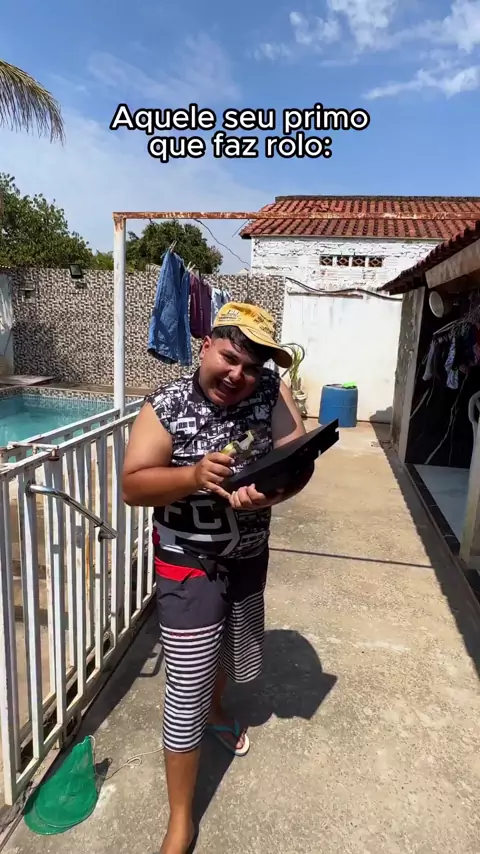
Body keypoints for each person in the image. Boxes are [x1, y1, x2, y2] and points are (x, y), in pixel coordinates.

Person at [122, 302, 315, 854]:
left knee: (233, 650)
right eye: (229, 358)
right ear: (206, 344)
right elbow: (133, 486)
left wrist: (274, 493)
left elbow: (298, 460)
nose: (238, 375)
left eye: (251, 367)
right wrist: (191, 475)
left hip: (249, 555)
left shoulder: (270, 392)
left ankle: (218, 706)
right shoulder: (167, 405)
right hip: (188, 561)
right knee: (185, 689)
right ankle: (181, 820)